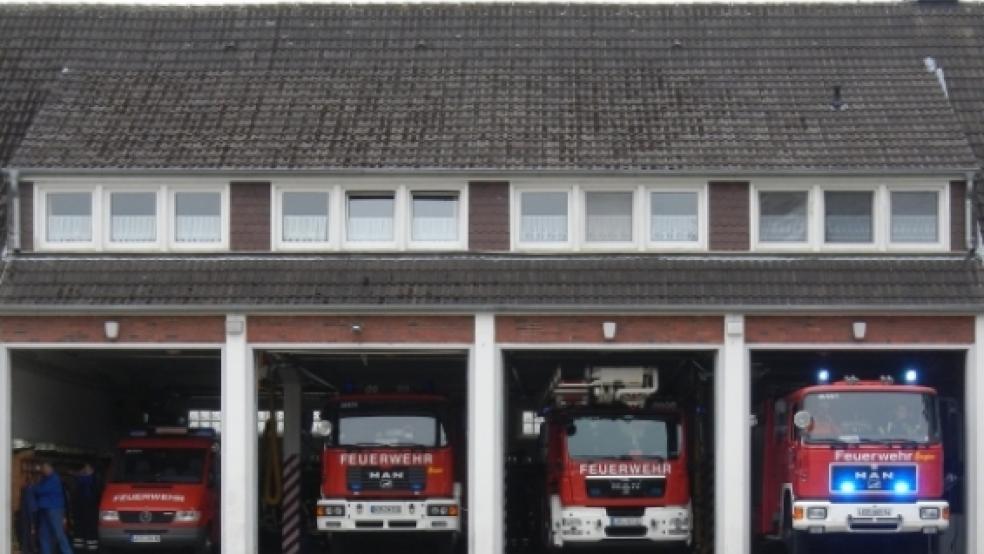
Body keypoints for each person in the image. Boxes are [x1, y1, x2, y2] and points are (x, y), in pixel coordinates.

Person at [33, 462, 74, 554]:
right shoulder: (45, 479)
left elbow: (40, 490)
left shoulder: (54, 479)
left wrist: (36, 487)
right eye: (43, 468)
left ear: (51, 468)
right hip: (44, 509)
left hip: (54, 509)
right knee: (44, 535)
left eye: (45, 467)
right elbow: (39, 490)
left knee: (59, 534)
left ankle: (68, 552)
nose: (43, 470)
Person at [71, 464, 100, 552]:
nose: (84, 470)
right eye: (84, 468)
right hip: (81, 510)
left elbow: (96, 494)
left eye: (86, 468)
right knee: (80, 530)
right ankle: (79, 549)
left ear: (92, 470)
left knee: (90, 530)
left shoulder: (94, 480)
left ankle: (91, 549)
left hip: (91, 510)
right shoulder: (80, 481)